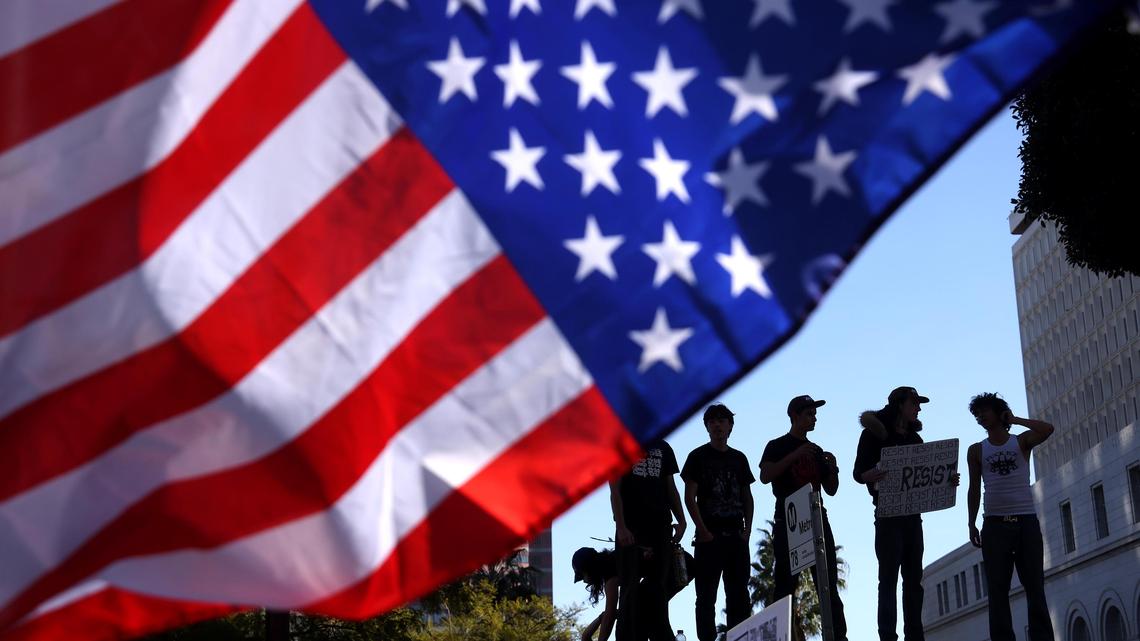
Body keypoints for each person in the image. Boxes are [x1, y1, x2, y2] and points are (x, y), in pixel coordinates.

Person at [852, 386, 941, 641]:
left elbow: (926, 475)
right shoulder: (873, 435)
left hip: (913, 517)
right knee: (888, 580)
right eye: (914, 403)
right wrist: (870, 475)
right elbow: (858, 472)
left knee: (914, 580)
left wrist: (945, 479)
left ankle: (915, 635)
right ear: (900, 404)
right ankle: (888, 636)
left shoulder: (915, 440)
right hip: (887, 517)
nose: (918, 408)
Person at [966, 393, 1055, 641]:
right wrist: (971, 522)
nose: (981, 416)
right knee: (997, 590)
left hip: (1026, 521)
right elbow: (974, 488)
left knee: (1035, 586)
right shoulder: (976, 450)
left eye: (985, 411)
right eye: (977, 413)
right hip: (994, 524)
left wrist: (1015, 420)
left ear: (998, 412)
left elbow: (1048, 429)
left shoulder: (1021, 441)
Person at [759, 395, 848, 641]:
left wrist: (834, 467)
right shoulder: (777, 445)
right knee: (785, 587)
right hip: (788, 521)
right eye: (809, 414)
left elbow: (831, 489)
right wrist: (795, 454)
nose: (814, 418)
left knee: (827, 583)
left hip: (817, 520)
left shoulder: (817, 450)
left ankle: (838, 636)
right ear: (794, 416)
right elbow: (766, 475)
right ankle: (781, 636)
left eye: (815, 414)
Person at [681, 404, 755, 641]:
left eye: (722, 420)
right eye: (712, 421)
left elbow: (747, 496)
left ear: (730, 425)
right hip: (709, 536)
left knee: (739, 596)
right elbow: (688, 496)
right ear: (707, 426)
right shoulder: (697, 457)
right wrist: (703, 530)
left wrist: (747, 531)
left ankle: (738, 637)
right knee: (705, 597)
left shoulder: (738, 459)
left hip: (736, 535)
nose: (718, 425)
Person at [610, 439, 686, 641]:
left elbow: (670, 487)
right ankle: (628, 637)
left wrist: (682, 519)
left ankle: (660, 635)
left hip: (660, 526)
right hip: (632, 526)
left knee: (658, 587)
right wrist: (621, 526)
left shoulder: (663, 446)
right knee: (629, 588)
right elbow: (614, 489)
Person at [573, 547, 620, 641]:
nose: (584, 581)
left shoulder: (610, 570)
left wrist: (606, 616)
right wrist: (602, 617)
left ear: (589, 569)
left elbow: (610, 612)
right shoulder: (611, 566)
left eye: (581, 575)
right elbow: (585, 637)